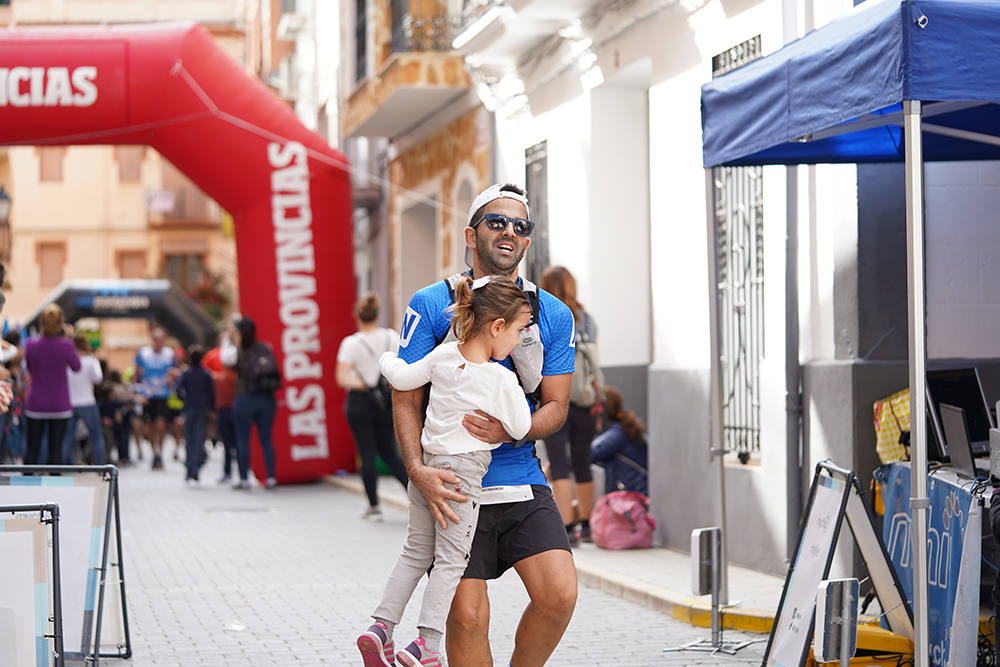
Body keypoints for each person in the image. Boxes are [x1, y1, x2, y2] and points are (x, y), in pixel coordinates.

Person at [393, 183, 577, 666]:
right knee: (468, 617)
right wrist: (417, 470)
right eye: (496, 222)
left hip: (520, 479)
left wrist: (513, 429)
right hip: (453, 484)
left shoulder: (552, 312)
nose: (509, 233)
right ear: (471, 235)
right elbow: (405, 398)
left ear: (527, 242)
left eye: (520, 226)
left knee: (559, 595)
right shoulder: (432, 302)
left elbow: (556, 406)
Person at [357, 276, 533, 667]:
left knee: (416, 551)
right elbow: (521, 428)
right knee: (452, 560)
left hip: (427, 470)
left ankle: (381, 627)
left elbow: (400, 378)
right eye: (520, 330)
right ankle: (427, 646)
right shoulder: (501, 378)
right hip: (462, 478)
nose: (519, 340)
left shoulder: (442, 355)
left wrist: (387, 358)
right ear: (498, 327)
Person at [539, 265, 604, 545]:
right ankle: (587, 525)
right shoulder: (587, 319)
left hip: (556, 397)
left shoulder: (546, 316)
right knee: (583, 460)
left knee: (560, 463)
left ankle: (566, 528)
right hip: (586, 400)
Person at [335, 292, 408, 521]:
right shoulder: (391, 337)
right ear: (377, 314)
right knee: (390, 453)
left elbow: (342, 378)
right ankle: (416, 500)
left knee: (366, 453)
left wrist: (365, 384)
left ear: (358, 316)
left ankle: (374, 506)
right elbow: (402, 365)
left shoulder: (351, 343)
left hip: (360, 402)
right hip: (386, 402)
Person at [220, 317, 278, 489]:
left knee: (242, 440)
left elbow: (224, 360)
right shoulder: (265, 349)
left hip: (244, 399)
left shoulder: (236, 352)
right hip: (266, 399)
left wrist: (227, 338)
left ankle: (244, 478)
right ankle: (271, 477)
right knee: (266, 440)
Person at [23, 304, 80, 465]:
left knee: (32, 450)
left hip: (36, 403)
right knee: (56, 451)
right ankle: (54, 488)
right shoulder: (66, 345)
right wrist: (69, 340)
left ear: (42, 323)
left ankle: (25, 485)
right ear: (61, 323)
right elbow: (76, 367)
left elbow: (29, 368)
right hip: (59, 404)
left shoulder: (31, 344)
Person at [590, 387, 648, 496]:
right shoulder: (622, 429)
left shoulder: (617, 434)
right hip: (633, 496)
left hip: (632, 499)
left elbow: (588, 455)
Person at [135, 326, 176, 470]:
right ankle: (154, 452)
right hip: (147, 395)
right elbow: (137, 373)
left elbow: (174, 371)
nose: (159, 342)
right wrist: (138, 392)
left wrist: (172, 378)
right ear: (153, 340)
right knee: (149, 426)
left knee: (161, 424)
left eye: (161, 339)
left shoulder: (169, 354)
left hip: (162, 394)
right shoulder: (144, 353)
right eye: (156, 339)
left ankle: (160, 451)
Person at [62, 335, 106, 465]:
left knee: (67, 437)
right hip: (87, 401)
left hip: (70, 402)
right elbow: (98, 378)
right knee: (96, 436)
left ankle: (64, 467)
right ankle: (100, 466)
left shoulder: (66, 361)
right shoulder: (91, 361)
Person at [176, 345, 215, 484]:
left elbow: (178, 389)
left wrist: (184, 400)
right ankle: (196, 466)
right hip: (202, 409)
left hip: (190, 408)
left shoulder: (186, 373)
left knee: (189, 439)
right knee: (199, 439)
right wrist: (211, 408)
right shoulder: (206, 374)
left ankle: (190, 467)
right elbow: (211, 393)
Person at [204, 340, 238, 484]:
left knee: (227, 444)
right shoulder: (237, 379)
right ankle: (243, 473)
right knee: (238, 443)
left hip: (224, 413)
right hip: (236, 412)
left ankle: (228, 472)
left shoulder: (218, 379)